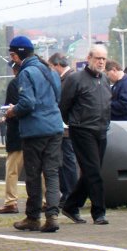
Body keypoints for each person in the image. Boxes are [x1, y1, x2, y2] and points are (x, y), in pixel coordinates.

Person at [5, 36, 63, 233]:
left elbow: (28, 103)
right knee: (52, 173)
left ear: (17, 54)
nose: (12, 58)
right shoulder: (50, 70)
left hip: (35, 131)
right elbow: (57, 97)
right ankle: (53, 216)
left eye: (12, 54)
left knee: (34, 175)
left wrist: (13, 110)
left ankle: (33, 217)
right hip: (55, 128)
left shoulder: (26, 72)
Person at [59, 44, 112, 225]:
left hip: (101, 129)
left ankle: (71, 205)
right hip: (82, 129)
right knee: (94, 171)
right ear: (89, 58)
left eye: (104, 59)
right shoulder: (76, 79)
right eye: (98, 58)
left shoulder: (104, 79)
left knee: (92, 171)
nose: (101, 62)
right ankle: (99, 212)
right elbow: (64, 104)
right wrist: (73, 121)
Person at [48, 52, 78, 206]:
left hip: (66, 126)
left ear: (57, 65)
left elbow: (64, 102)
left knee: (68, 161)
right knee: (64, 161)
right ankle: (67, 192)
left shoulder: (68, 79)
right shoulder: (68, 78)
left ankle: (70, 194)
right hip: (65, 126)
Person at [0, 61, 22, 214]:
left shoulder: (15, 84)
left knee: (12, 170)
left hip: (17, 133)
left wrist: (7, 114)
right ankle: (46, 201)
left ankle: (11, 201)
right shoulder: (41, 80)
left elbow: (10, 107)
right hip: (35, 133)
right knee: (40, 170)